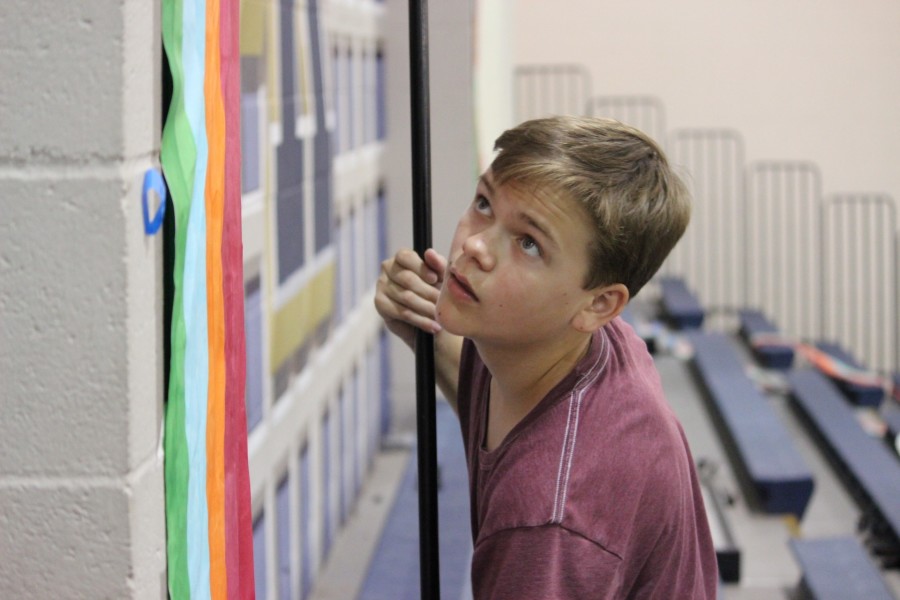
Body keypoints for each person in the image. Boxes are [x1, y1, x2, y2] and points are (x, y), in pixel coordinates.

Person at [375, 116, 718, 598]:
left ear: (599, 304)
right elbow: (479, 392)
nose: (475, 245)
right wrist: (422, 326)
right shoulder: (582, 345)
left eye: (528, 243)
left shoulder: (545, 521)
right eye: (484, 203)